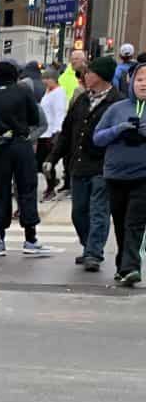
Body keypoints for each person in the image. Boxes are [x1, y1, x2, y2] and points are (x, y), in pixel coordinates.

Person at [55, 55, 122, 272]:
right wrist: (52, 157)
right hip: (79, 164)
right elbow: (67, 132)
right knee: (79, 212)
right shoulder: (82, 100)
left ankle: (94, 252)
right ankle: (88, 246)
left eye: (90, 72)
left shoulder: (117, 102)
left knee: (99, 211)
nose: (86, 75)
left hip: (103, 166)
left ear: (101, 76)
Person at [0, 61, 51, 258]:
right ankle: (30, 238)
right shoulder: (23, 92)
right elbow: (34, 118)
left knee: (1, 192)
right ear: (15, 75)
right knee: (27, 189)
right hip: (21, 144)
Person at [92, 61, 146, 286]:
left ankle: (131, 268)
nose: (144, 84)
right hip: (115, 175)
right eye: (141, 79)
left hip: (143, 176)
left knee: (135, 222)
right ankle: (122, 266)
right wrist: (119, 130)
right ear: (132, 82)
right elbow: (97, 138)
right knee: (121, 222)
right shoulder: (117, 109)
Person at [39, 66, 68, 196]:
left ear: (54, 79)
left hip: (51, 132)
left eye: (47, 79)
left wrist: (57, 131)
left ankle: (51, 187)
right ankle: (51, 182)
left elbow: (59, 112)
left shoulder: (59, 93)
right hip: (44, 131)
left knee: (47, 161)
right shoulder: (48, 91)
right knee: (41, 162)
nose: (44, 81)